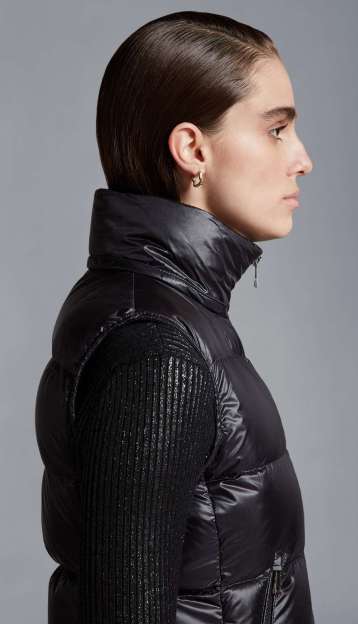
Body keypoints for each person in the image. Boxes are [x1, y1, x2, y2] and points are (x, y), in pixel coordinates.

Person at [35, 10, 314, 624]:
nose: (302, 159)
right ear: (192, 149)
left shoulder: (162, 310)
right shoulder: (157, 349)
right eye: (276, 130)